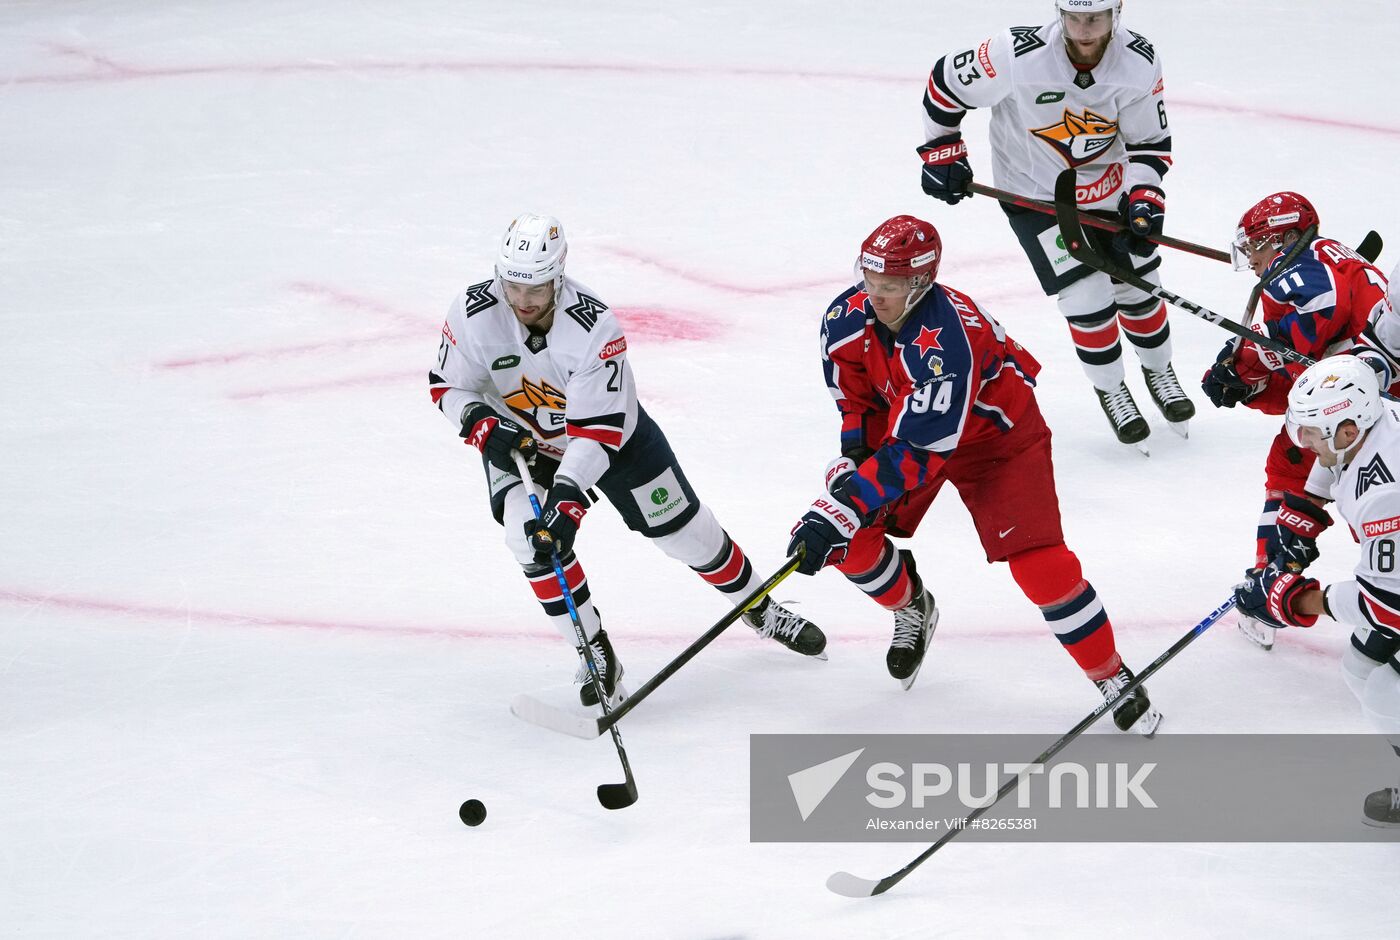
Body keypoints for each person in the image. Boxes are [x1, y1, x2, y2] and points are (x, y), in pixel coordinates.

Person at [784, 213, 1161, 734]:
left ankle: (1111, 675)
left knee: (1041, 567)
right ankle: (912, 604)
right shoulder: (846, 316)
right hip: (908, 434)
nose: (875, 295)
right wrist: (851, 467)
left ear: (920, 282)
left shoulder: (946, 344)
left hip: (997, 442)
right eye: (869, 280)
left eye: (889, 286)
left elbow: (921, 451)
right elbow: (857, 401)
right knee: (848, 542)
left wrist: (843, 507)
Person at [429, 213, 826, 706]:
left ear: (558, 275)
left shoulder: (594, 326)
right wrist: (478, 422)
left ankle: (758, 606)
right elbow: (448, 384)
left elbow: (595, 433)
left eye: (535, 287)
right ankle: (594, 651)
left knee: (688, 536)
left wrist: (569, 501)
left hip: (613, 441)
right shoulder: (473, 312)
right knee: (528, 542)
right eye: (513, 285)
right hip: (522, 444)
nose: (523, 300)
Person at [918, 0, 1194, 449]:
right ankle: (1112, 388)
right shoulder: (1015, 54)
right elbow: (945, 83)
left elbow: (1149, 143)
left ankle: (1160, 370)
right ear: (1059, 12)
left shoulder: (1139, 62)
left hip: (1110, 193)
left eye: (1097, 18)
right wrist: (941, 150)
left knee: (1139, 285)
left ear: (1117, 12)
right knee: (1086, 294)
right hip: (1036, 198)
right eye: (1076, 18)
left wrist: (1145, 196)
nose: (1085, 31)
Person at [1201, 193, 1393, 650]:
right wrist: (1250, 384)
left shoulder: (1298, 274)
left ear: (1287, 235)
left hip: (1371, 406)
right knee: (1301, 464)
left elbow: (1316, 318)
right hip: (1364, 396)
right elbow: (1308, 370)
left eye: (1257, 245)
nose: (1250, 258)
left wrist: (1250, 356)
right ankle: (1281, 581)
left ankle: (1273, 591)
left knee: (1329, 483)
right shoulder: (1318, 257)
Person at [1234, 355, 1400, 826]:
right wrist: (1293, 536)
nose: (1303, 440)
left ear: (1348, 429)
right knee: (1361, 669)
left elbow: (1387, 608)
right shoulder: (1373, 423)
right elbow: (1331, 470)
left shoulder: (1387, 492)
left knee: (1389, 696)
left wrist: (1294, 598)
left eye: (1312, 431)